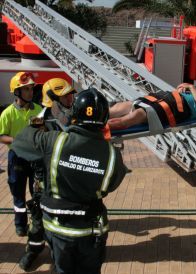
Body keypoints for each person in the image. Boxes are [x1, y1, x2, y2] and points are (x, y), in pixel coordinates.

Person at [12, 88, 127, 274]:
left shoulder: (52, 141)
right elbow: (110, 186)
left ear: (73, 114)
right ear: (105, 118)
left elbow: (20, 142)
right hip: (92, 231)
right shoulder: (112, 154)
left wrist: (37, 122)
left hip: (59, 230)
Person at [16, 78, 76, 271]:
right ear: (53, 99)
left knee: (68, 220)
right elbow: (28, 150)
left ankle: (64, 252)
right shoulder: (39, 122)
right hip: (45, 182)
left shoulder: (72, 117)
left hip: (67, 180)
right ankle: (33, 251)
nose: (71, 97)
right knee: (38, 221)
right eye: (66, 95)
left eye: (70, 94)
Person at [0, 72, 42, 236]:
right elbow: (1, 135)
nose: (31, 92)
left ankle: (38, 222)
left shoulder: (38, 110)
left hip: (35, 157)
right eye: (26, 89)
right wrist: (17, 140)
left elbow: (40, 131)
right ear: (17, 92)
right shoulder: (8, 113)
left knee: (37, 192)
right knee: (18, 194)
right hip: (16, 158)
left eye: (31, 88)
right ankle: (20, 224)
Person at [108, 83, 196, 130]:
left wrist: (191, 88)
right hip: (172, 98)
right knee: (126, 105)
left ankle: (96, 126)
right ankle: (95, 115)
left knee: (138, 114)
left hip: (179, 108)